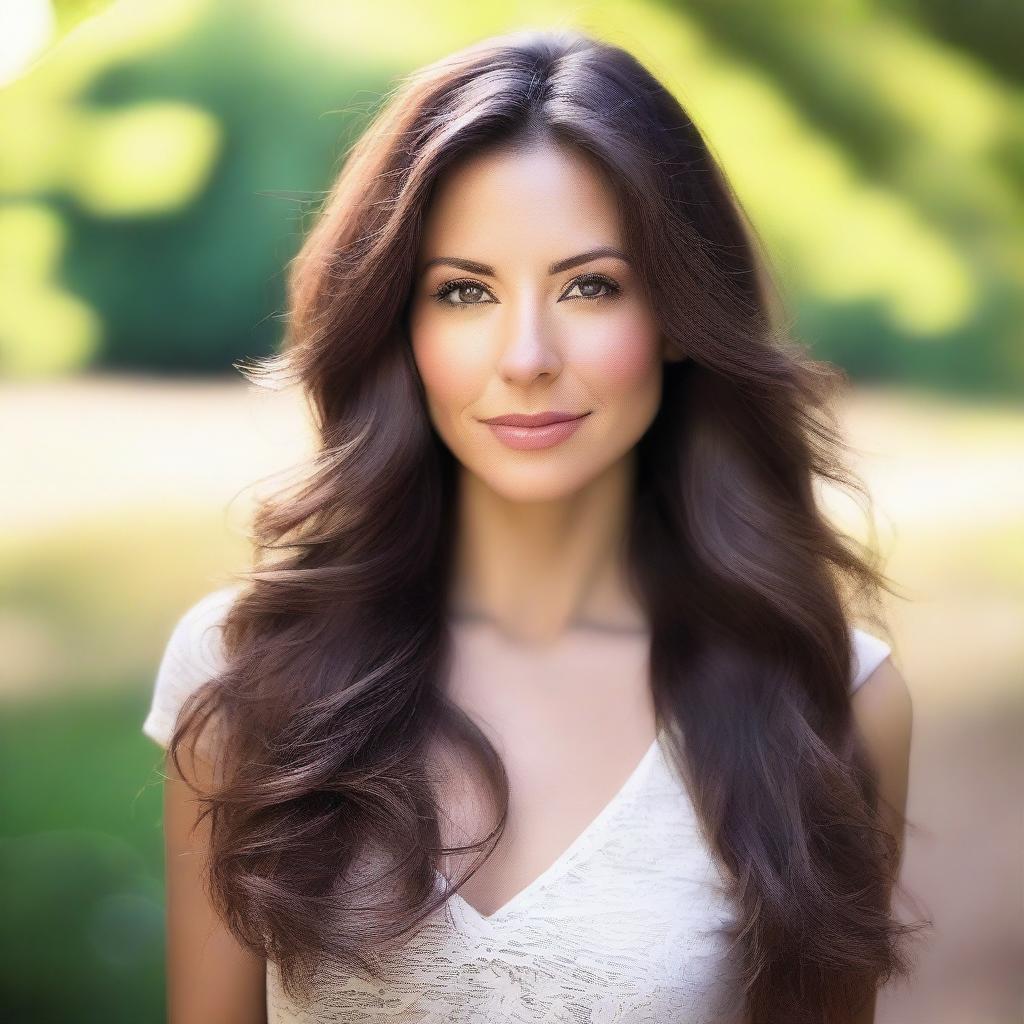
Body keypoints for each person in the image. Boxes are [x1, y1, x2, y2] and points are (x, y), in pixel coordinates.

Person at [142, 27, 924, 1024]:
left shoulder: (829, 697)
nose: (525, 354)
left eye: (589, 286)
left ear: (680, 315)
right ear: (399, 324)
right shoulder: (243, 669)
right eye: (463, 292)